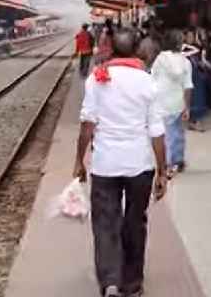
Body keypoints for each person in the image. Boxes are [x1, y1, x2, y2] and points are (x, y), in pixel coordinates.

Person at [74, 30, 167, 297]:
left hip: (105, 164)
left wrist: (79, 161)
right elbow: (157, 130)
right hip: (140, 164)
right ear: (138, 50)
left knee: (105, 222)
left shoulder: (97, 78)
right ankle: (133, 284)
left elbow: (87, 125)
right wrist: (162, 171)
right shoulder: (147, 81)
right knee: (135, 222)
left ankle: (110, 282)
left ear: (110, 50)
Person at [151, 31, 193, 177]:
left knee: (165, 133)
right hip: (178, 101)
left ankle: (167, 162)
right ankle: (178, 160)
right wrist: (187, 106)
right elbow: (188, 86)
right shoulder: (186, 62)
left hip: (161, 101)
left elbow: (152, 79)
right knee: (178, 132)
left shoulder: (160, 60)